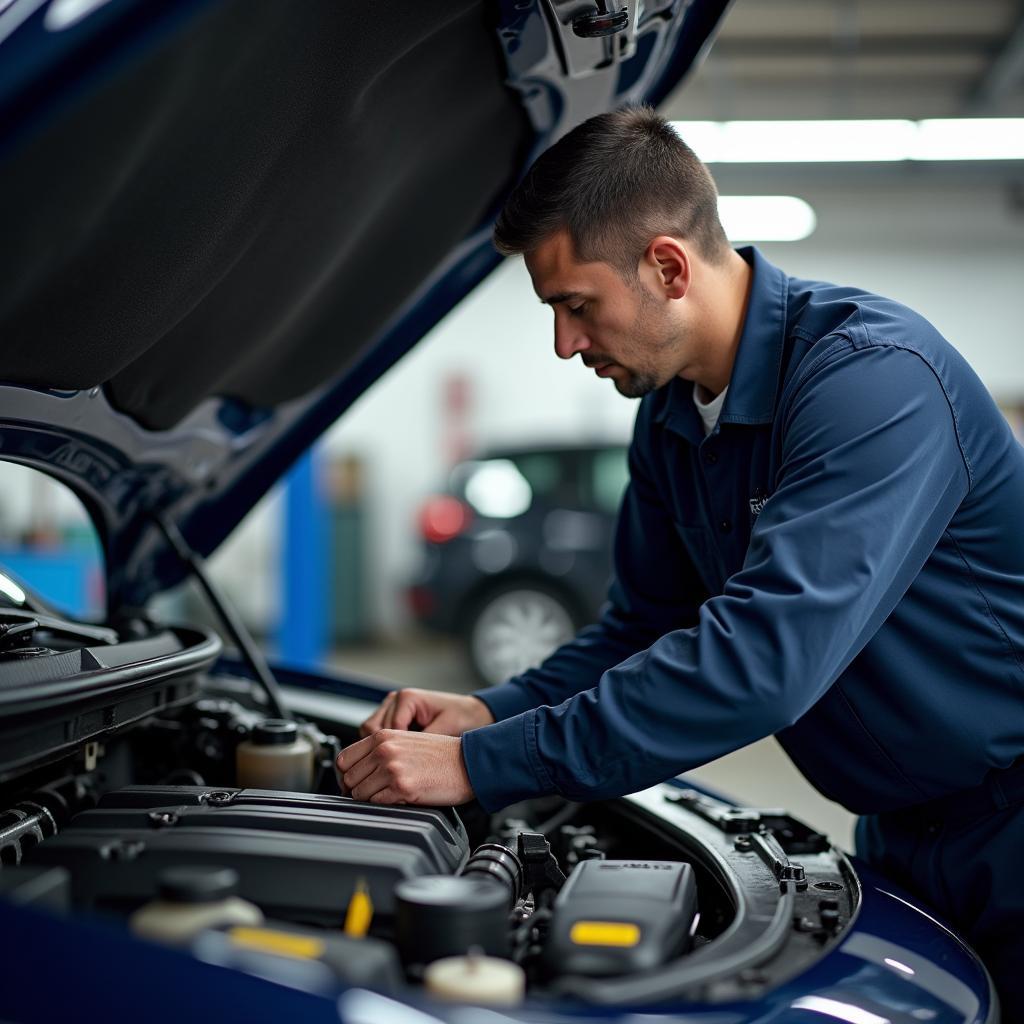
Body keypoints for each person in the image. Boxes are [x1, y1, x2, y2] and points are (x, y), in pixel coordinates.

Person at [337, 107, 1024, 1011]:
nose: (566, 343)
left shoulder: (872, 382)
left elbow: (761, 660)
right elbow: (643, 626)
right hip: (902, 830)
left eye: (576, 306)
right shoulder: (668, 420)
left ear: (666, 266)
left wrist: (486, 764)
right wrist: (487, 711)